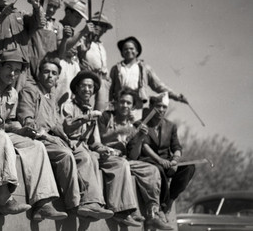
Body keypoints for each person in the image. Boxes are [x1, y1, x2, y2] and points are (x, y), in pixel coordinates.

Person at [0, 50, 67, 221]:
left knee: (36, 145)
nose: (13, 73)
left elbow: (7, 123)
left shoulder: (13, 94)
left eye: (17, 70)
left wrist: (22, 130)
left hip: (0, 131)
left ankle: (43, 202)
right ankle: (5, 198)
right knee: (1, 138)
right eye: (9, 67)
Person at [17, 57, 113, 220]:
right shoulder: (30, 90)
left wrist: (67, 140)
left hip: (54, 139)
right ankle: (74, 205)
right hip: (38, 138)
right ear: (39, 74)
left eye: (54, 73)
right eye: (46, 72)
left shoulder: (51, 96)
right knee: (65, 155)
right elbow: (26, 116)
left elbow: (56, 124)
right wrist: (34, 126)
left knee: (83, 155)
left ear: (57, 78)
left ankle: (91, 203)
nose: (50, 76)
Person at [61, 71, 142, 227]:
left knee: (120, 163)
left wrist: (104, 149)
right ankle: (91, 203)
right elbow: (66, 129)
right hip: (72, 145)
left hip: (89, 149)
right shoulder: (69, 106)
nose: (87, 90)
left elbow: (95, 141)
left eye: (90, 87)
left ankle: (120, 210)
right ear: (77, 88)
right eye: (83, 86)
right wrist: (85, 119)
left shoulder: (90, 110)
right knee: (88, 157)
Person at [98, 88, 173, 229]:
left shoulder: (134, 126)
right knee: (123, 165)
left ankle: (152, 214)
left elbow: (133, 156)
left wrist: (139, 138)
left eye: (128, 103)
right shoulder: (106, 117)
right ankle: (124, 210)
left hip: (123, 159)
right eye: (122, 102)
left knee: (151, 170)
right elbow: (99, 138)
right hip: (104, 156)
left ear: (132, 107)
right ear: (116, 103)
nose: (125, 105)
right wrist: (118, 134)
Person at [135, 92, 195, 223]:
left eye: (164, 107)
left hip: (167, 162)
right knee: (158, 169)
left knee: (189, 168)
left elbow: (177, 147)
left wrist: (175, 160)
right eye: (158, 106)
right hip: (149, 161)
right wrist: (160, 160)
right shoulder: (141, 123)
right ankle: (161, 208)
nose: (161, 110)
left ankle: (169, 202)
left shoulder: (170, 126)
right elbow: (144, 146)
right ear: (151, 106)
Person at [109, 36, 188, 120]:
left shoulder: (145, 69)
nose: (128, 51)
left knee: (136, 129)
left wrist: (176, 96)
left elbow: (159, 86)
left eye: (131, 48)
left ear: (137, 51)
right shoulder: (116, 69)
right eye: (125, 49)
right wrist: (109, 109)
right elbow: (110, 89)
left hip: (138, 107)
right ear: (122, 52)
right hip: (121, 106)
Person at [55, 0, 93, 106]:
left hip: (72, 72)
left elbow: (81, 56)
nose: (78, 21)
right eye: (77, 16)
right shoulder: (58, 26)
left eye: (80, 18)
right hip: (60, 69)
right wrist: (82, 32)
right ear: (67, 12)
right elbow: (61, 49)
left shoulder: (75, 34)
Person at [79, 11, 113, 111]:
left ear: (105, 29)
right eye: (96, 24)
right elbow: (79, 56)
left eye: (102, 25)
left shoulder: (101, 46)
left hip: (103, 81)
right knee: (87, 108)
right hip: (90, 79)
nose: (98, 27)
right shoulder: (83, 40)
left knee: (100, 112)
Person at [28, 0, 64, 79]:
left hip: (48, 73)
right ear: (42, 2)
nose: (51, 9)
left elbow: (61, 53)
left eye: (55, 7)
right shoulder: (30, 18)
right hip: (30, 68)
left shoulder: (57, 26)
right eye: (49, 5)